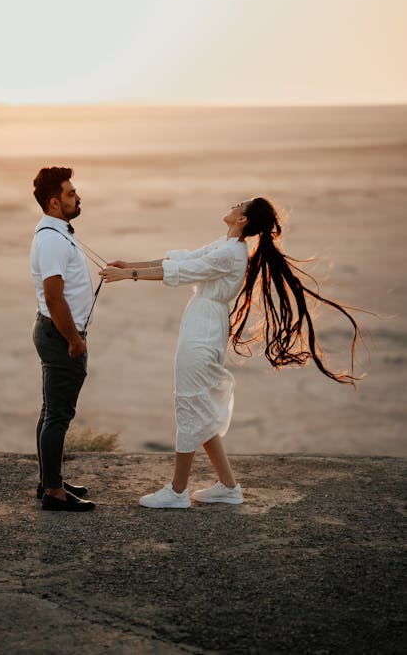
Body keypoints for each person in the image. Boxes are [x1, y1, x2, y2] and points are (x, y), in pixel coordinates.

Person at [100, 197, 359, 509]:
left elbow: (187, 271)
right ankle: (228, 487)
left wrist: (129, 277)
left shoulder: (232, 255)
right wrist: (132, 265)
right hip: (203, 322)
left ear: (243, 220)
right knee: (199, 406)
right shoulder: (226, 245)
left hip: (205, 329)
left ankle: (178, 491)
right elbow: (183, 259)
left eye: (239, 205)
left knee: (189, 400)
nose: (233, 205)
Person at [30, 167, 95, 512]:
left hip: (55, 332)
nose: (77, 197)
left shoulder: (57, 233)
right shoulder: (53, 239)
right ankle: (54, 492)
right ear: (55, 202)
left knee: (49, 412)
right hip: (60, 336)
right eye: (70, 194)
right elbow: (54, 297)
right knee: (57, 415)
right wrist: (74, 341)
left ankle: (48, 480)